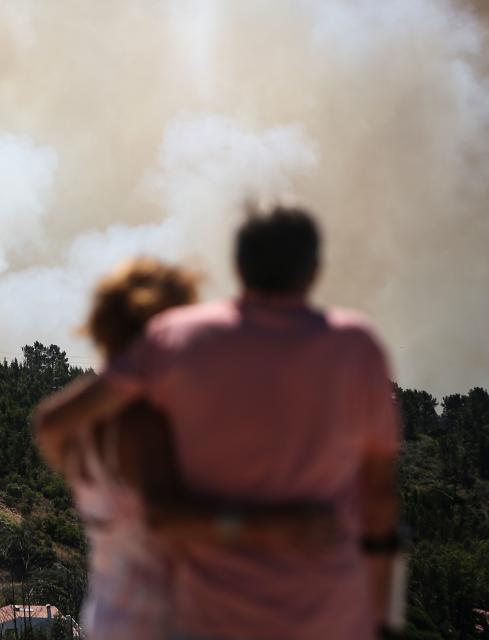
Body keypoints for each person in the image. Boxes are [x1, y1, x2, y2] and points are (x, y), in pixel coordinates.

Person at [36, 207, 401, 640]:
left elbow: (51, 423)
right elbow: (378, 498)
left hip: (136, 618)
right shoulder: (358, 345)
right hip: (219, 619)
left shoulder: (99, 422)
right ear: (315, 270)